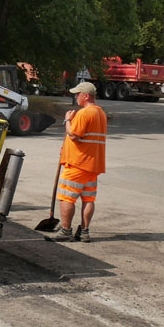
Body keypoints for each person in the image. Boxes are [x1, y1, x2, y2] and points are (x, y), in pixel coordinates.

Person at [48, 80, 107, 243]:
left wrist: (67, 120)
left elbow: (74, 134)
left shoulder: (84, 113)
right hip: (92, 165)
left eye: (77, 94)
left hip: (77, 164)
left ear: (86, 96)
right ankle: (84, 231)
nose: (75, 97)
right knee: (88, 198)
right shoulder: (100, 113)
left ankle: (66, 230)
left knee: (66, 197)